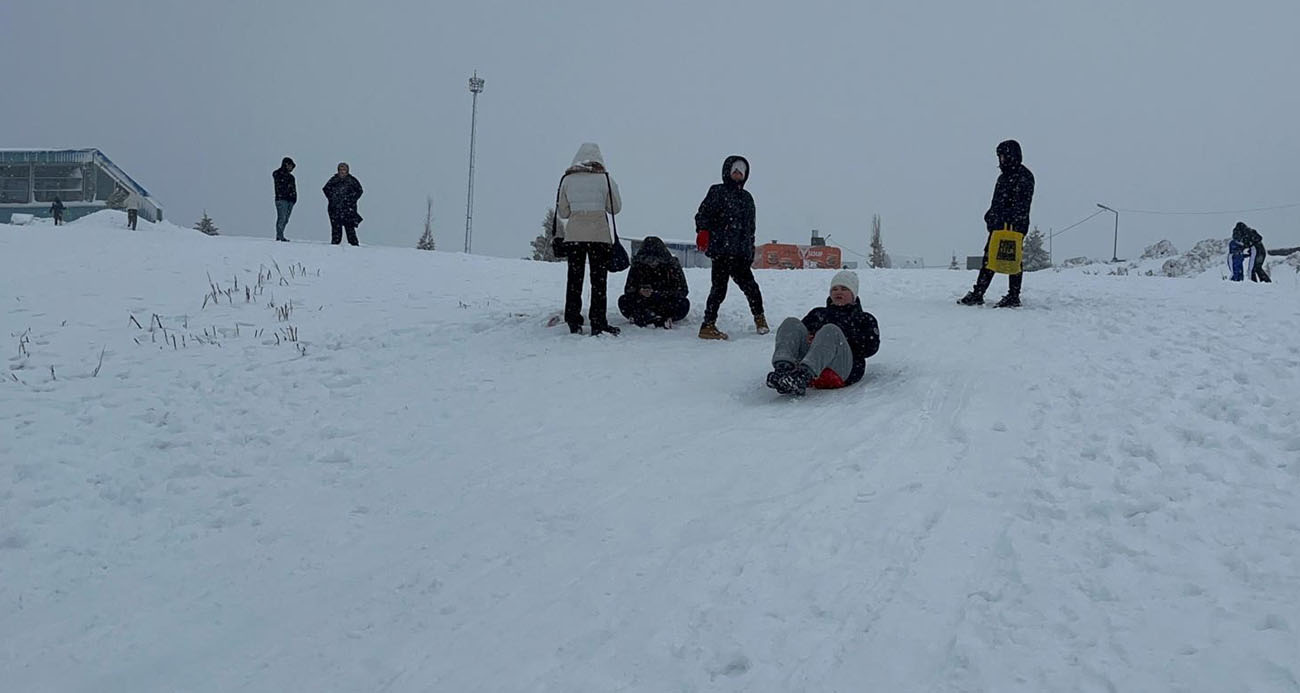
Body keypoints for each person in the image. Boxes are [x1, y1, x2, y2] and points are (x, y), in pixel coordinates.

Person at [766, 270, 880, 396]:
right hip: (806, 366)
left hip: (839, 369)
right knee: (791, 323)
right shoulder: (818, 313)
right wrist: (811, 338)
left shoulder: (864, 318)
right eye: (834, 289)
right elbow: (798, 336)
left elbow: (871, 348)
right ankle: (784, 370)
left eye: (844, 288)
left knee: (830, 330)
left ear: (853, 294)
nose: (838, 292)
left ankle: (803, 376)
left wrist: (839, 339)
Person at [695, 155, 767, 339]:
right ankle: (707, 325)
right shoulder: (717, 191)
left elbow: (750, 229)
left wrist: (750, 251)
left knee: (751, 288)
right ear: (727, 171)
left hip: (741, 254)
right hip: (721, 252)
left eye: (741, 172)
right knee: (719, 289)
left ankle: (760, 319)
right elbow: (703, 214)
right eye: (735, 170)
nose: (737, 174)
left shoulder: (747, 198)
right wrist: (703, 231)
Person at [556, 143, 623, 336]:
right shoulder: (606, 179)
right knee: (598, 281)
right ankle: (598, 322)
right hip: (599, 237)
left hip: (575, 236)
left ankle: (573, 319)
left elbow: (563, 211)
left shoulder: (567, 180)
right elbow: (615, 208)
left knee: (574, 280)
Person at [959, 139, 1035, 307]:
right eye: (999, 156)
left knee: (1013, 260)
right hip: (1000, 225)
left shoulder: (1024, 177)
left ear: (1011, 156)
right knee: (990, 258)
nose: (1000, 160)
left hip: (1013, 226)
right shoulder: (1005, 177)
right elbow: (998, 202)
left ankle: (1012, 296)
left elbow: (1021, 204)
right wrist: (990, 216)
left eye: (1002, 156)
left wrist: (1005, 219)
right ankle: (979, 293)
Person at [618, 236, 690, 328]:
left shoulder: (672, 265)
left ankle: (652, 316)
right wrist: (639, 291)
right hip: (642, 301)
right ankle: (647, 316)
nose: (652, 264)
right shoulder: (637, 265)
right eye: (648, 261)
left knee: (683, 304)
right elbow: (628, 289)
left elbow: (683, 290)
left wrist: (661, 294)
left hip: (666, 302)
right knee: (623, 301)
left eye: (655, 261)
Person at [322, 162, 363, 246]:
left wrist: (350, 199)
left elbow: (359, 191)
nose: (342, 171)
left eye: (344, 169)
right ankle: (335, 245)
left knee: (350, 228)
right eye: (340, 169)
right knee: (336, 228)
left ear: (347, 170)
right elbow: (326, 189)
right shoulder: (333, 180)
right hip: (335, 208)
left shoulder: (352, 180)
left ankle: (354, 245)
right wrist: (333, 198)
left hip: (348, 209)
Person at [273, 157, 297, 242]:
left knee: (286, 219)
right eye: (291, 166)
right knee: (281, 218)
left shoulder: (291, 177)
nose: (292, 168)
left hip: (290, 200)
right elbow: (277, 178)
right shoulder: (278, 174)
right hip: (281, 199)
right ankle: (279, 236)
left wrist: (294, 199)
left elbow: (293, 188)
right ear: (286, 165)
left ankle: (281, 234)